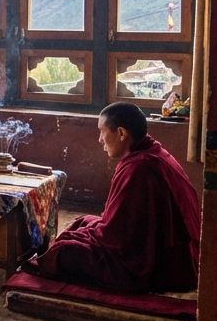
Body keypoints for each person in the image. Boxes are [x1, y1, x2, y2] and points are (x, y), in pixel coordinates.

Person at [30, 101, 201, 293]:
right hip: (175, 251)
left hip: (161, 265)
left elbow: (119, 237)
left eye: (102, 131)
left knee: (63, 252)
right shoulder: (152, 151)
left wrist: (88, 235)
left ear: (121, 133)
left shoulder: (141, 168)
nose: (100, 140)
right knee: (82, 222)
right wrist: (90, 229)